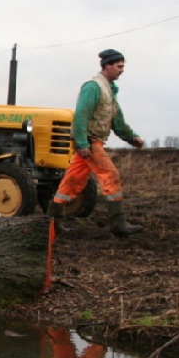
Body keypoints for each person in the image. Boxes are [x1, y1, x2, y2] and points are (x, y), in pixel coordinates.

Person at [47, 48, 144, 236]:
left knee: (72, 181)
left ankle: (54, 222)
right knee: (110, 174)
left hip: (92, 142)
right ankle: (118, 224)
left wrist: (131, 137)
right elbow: (81, 115)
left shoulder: (109, 90)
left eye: (122, 66)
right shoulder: (93, 87)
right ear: (107, 65)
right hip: (91, 143)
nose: (122, 70)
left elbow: (117, 120)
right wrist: (81, 143)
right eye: (119, 66)